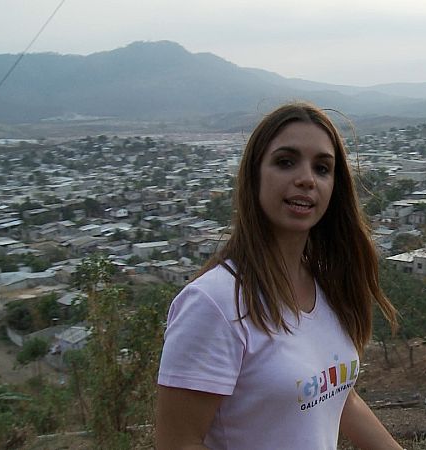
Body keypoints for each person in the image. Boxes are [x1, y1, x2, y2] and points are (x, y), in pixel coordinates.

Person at [156, 102, 401, 449]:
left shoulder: (326, 285)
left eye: (322, 168)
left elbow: (340, 398)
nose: (306, 179)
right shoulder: (214, 303)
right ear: (254, 175)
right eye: (286, 162)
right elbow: (179, 442)